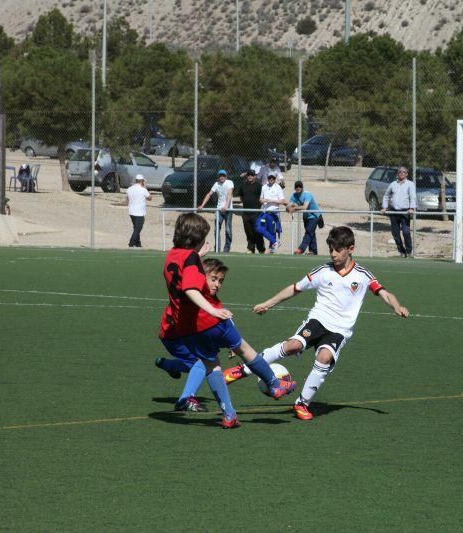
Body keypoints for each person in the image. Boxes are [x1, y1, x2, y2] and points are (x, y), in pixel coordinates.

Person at [223, 226, 410, 421]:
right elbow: (295, 288)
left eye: (338, 250)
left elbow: (384, 293)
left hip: (340, 330)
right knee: (292, 346)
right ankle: (242, 370)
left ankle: (302, 403)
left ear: (351, 248)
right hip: (318, 321)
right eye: (331, 250)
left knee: (324, 357)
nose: (333, 254)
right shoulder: (323, 271)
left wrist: (396, 306)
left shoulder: (363, 275)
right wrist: (268, 304)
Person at [157, 213, 295, 428]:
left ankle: (229, 415)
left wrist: (197, 255)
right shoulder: (191, 259)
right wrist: (212, 309)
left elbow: (186, 271)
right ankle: (274, 384)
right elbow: (191, 288)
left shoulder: (171, 256)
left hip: (187, 328)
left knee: (212, 366)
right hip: (207, 320)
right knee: (245, 350)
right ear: (196, 238)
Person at [380, 166, 417, 258]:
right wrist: (384, 207)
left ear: (407, 174)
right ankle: (401, 251)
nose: (401, 173)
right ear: (398, 173)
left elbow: (413, 196)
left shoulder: (410, 184)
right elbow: (386, 196)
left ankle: (409, 251)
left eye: (404, 172)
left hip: (405, 212)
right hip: (393, 211)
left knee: (406, 232)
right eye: (400, 172)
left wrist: (412, 208)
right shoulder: (393, 184)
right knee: (395, 233)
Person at [197, 169, 234, 253]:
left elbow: (229, 194)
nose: (222, 177)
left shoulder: (229, 182)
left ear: (226, 176)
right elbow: (209, 194)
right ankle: (217, 248)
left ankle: (226, 249)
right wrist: (202, 205)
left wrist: (226, 206)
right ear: (218, 177)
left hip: (228, 210)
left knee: (228, 230)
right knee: (216, 229)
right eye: (220, 176)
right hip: (219, 210)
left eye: (223, 175)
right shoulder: (216, 184)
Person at [234, 169, 265, 254]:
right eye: (248, 175)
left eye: (252, 175)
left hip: (256, 212)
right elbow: (241, 196)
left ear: (255, 176)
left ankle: (261, 248)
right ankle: (251, 248)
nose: (250, 176)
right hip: (246, 213)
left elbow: (262, 197)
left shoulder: (259, 186)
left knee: (257, 231)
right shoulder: (243, 185)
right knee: (248, 231)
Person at [287, 180, 321, 255]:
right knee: (311, 233)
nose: (298, 188)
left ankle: (301, 249)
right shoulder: (294, 195)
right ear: (294, 188)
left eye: (300, 186)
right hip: (306, 217)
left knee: (308, 232)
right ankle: (313, 251)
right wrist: (289, 207)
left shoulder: (307, 195)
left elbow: (305, 207)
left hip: (314, 216)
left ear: (302, 187)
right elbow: (288, 205)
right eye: (296, 186)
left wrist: (294, 208)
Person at [257, 174, 286, 253]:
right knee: (258, 227)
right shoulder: (264, 187)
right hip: (263, 211)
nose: (271, 179)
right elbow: (260, 199)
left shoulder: (278, 187)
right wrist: (262, 200)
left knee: (271, 231)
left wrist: (270, 200)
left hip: (273, 212)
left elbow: (282, 201)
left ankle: (271, 248)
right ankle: (275, 242)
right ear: (268, 178)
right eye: (269, 178)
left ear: (275, 179)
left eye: (272, 178)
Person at [126, 174, 151, 248]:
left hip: (131, 211)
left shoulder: (130, 188)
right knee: (138, 228)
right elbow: (150, 198)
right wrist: (145, 187)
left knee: (136, 227)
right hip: (139, 212)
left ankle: (138, 243)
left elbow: (127, 199)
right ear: (142, 181)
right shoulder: (143, 189)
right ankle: (131, 242)